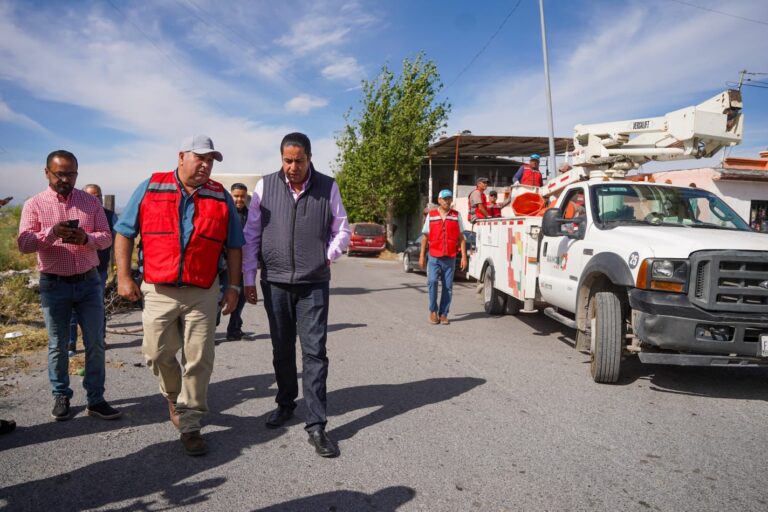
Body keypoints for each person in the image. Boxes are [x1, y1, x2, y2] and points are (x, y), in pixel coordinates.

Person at [114, 135, 244, 456]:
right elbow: (124, 232)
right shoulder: (151, 186)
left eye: (211, 160)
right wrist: (124, 276)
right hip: (159, 289)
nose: (205, 165)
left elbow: (235, 246)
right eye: (200, 158)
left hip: (203, 289)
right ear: (181, 156)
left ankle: (190, 422)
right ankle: (173, 396)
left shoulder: (220, 196)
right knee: (157, 353)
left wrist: (233, 287)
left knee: (199, 357)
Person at [243, 132, 350, 458]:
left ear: (309, 158)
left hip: (313, 283)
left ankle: (316, 424)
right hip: (274, 282)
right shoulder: (265, 186)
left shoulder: (327, 186)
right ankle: (286, 403)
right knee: (281, 348)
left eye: (298, 161)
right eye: (287, 160)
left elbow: (342, 228)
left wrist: (327, 255)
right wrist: (249, 277)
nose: (292, 167)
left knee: (315, 352)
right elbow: (251, 233)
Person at [17, 150, 121, 422]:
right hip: (55, 284)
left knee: (96, 342)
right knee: (58, 345)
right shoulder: (35, 205)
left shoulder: (89, 202)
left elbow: (107, 237)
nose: (65, 179)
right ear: (47, 172)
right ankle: (61, 394)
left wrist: (85, 238)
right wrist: (50, 234)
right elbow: (24, 244)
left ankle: (96, 399)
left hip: (88, 282)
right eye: (59, 173)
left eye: (71, 173)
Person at [68, 184, 118, 356]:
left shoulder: (110, 215)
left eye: (98, 195)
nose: (95, 198)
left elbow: (117, 240)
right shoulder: (76, 213)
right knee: (72, 307)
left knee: (97, 306)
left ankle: (99, 339)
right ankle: (70, 343)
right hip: (76, 268)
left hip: (100, 269)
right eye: (91, 195)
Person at [420, 189, 467, 325]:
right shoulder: (432, 215)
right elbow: (425, 237)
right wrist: (422, 256)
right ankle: (433, 311)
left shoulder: (456, 216)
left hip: (450, 257)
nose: (447, 201)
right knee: (432, 281)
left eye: (449, 199)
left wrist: (464, 257)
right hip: (434, 256)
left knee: (448, 287)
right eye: (445, 199)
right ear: (439, 200)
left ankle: (444, 314)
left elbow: (461, 238)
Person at [219, 183, 249, 341]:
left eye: (242, 196)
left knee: (240, 297)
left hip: (242, 266)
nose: (239, 199)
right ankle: (209, 331)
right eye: (236, 196)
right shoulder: (223, 213)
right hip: (223, 265)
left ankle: (234, 328)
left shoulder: (251, 215)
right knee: (218, 297)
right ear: (231, 196)